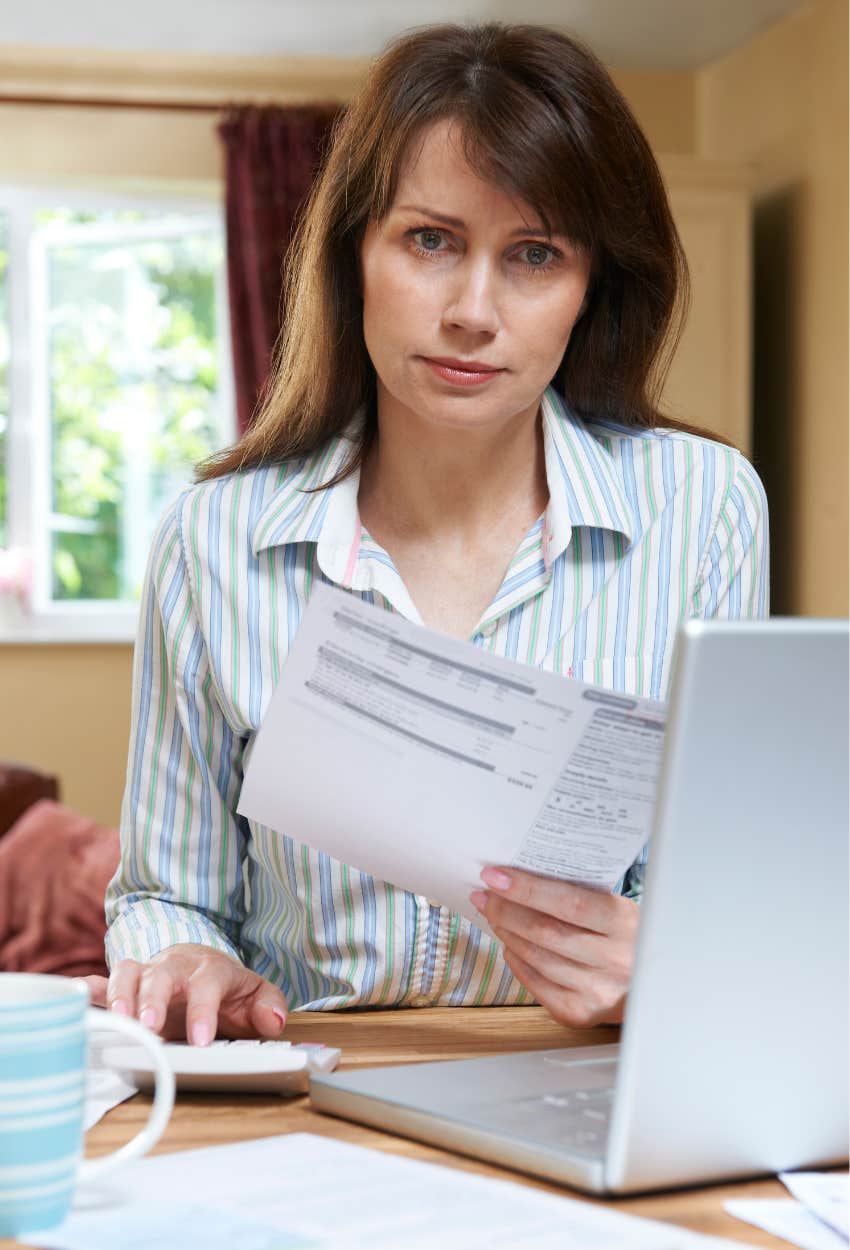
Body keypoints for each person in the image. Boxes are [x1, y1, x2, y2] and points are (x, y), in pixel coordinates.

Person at [88, 22, 768, 1046]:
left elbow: (734, 896)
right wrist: (182, 956)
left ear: (591, 292)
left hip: (589, 1083)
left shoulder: (706, 507)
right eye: (430, 240)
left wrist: (665, 959)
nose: (472, 310)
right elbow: (162, 893)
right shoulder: (212, 536)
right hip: (307, 1085)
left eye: (534, 255)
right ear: (354, 252)